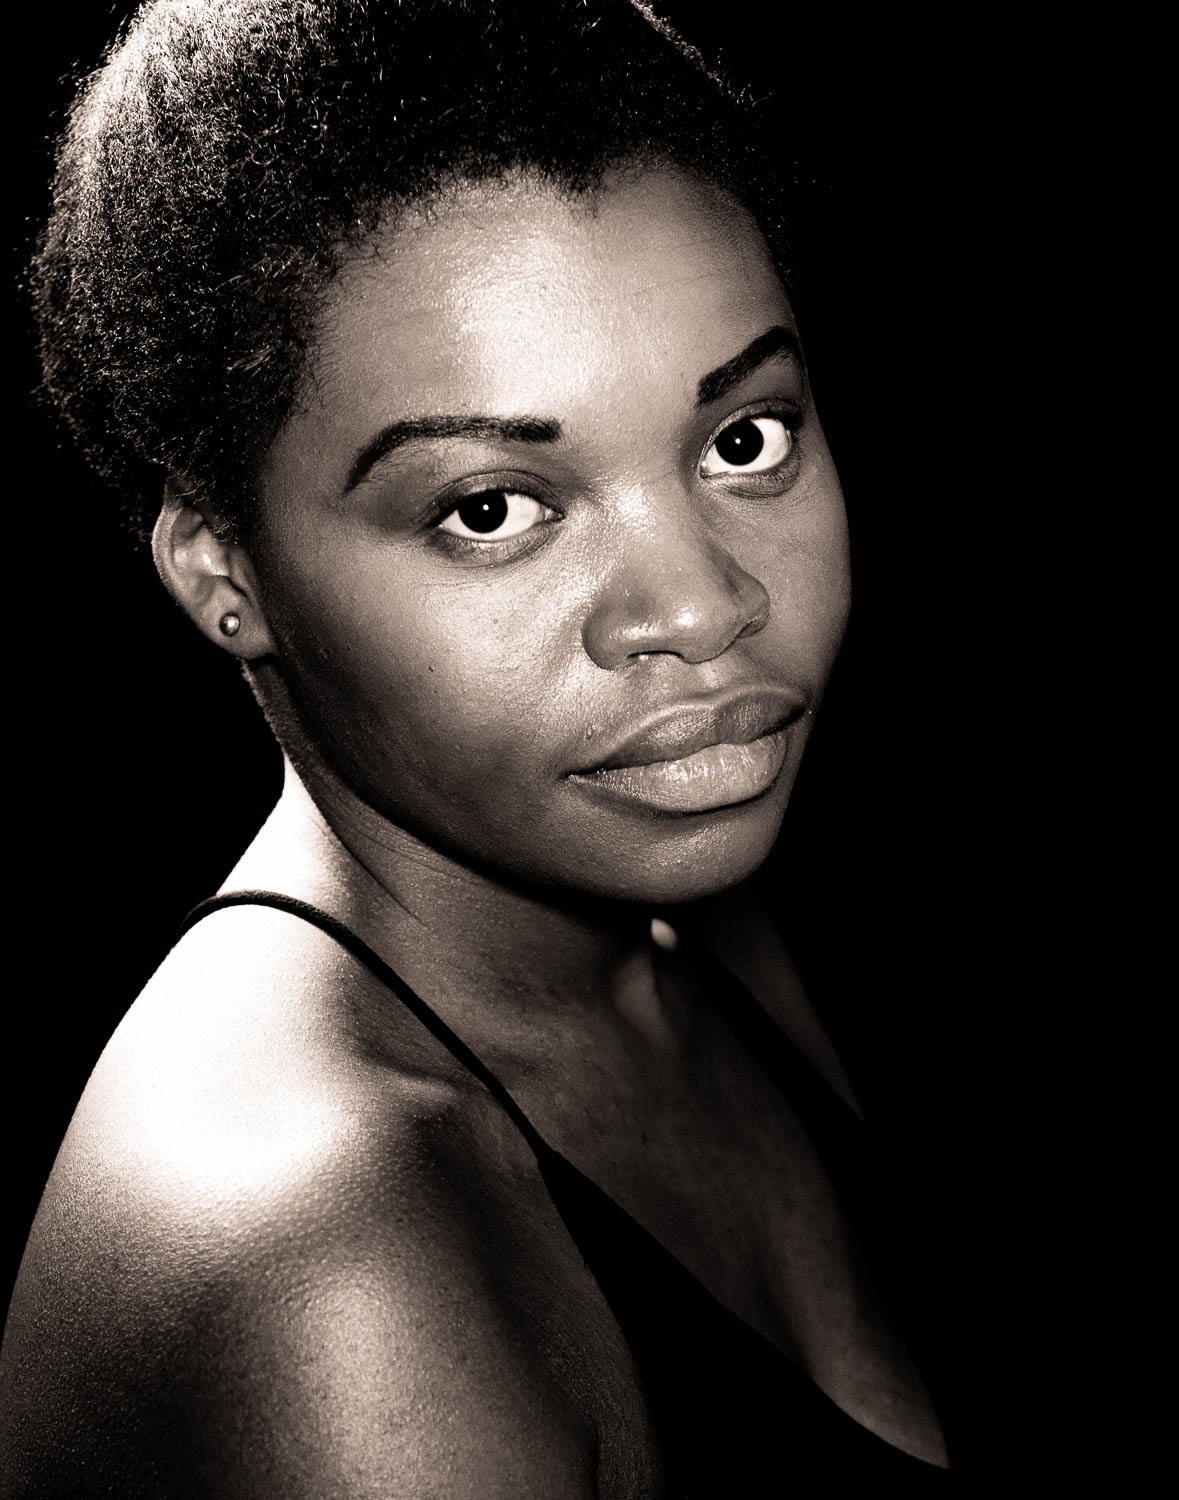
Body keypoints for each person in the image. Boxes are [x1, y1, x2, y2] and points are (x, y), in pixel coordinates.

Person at [2, 1, 953, 1492]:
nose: (705, 609)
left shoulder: (683, 916)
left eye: (744, 438)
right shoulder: (330, 1265)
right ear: (223, 574)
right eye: (492, 507)